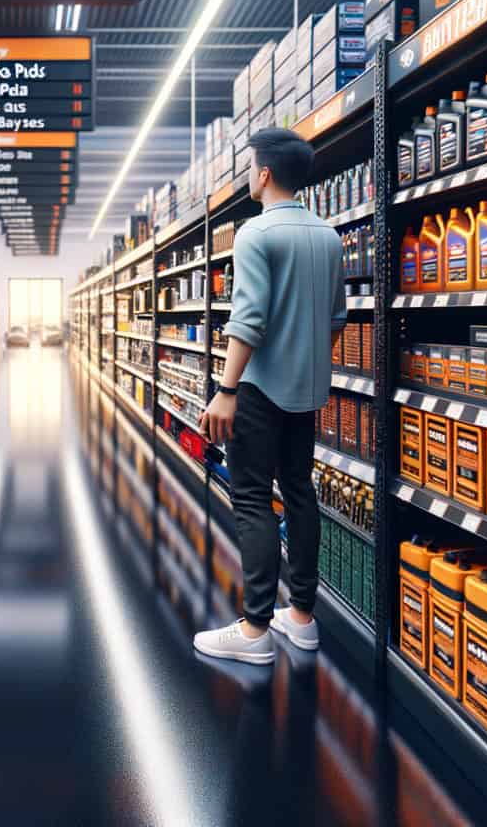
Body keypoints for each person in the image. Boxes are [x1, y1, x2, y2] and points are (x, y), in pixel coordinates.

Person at [193, 128, 347, 664]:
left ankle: (256, 628)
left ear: (264, 174)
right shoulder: (329, 237)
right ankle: (302, 617)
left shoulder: (255, 235)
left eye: (251, 167)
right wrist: (306, 362)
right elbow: (335, 320)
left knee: (253, 497)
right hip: (306, 392)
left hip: (258, 388)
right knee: (300, 492)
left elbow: (249, 318)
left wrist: (227, 389)